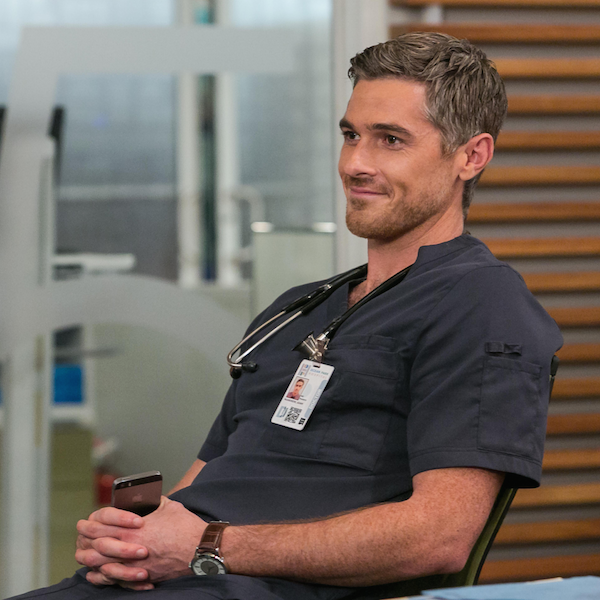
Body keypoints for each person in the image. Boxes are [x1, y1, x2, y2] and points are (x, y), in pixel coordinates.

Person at [12, 32, 562, 600]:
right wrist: (134, 541)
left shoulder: (482, 305)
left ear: (471, 156)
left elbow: (438, 538)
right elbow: (193, 494)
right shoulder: (296, 311)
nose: (355, 163)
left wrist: (207, 546)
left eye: (391, 140)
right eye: (351, 135)